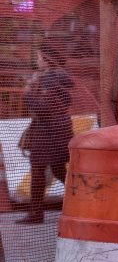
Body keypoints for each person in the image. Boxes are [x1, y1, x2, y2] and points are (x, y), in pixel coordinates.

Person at [18, 39, 74, 225]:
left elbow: (43, 108)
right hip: (61, 128)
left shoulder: (49, 78)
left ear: (47, 58)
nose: (37, 60)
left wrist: (27, 94)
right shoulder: (60, 76)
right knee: (58, 169)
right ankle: (83, 199)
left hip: (48, 129)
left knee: (38, 169)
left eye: (39, 56)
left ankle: (36, 213)